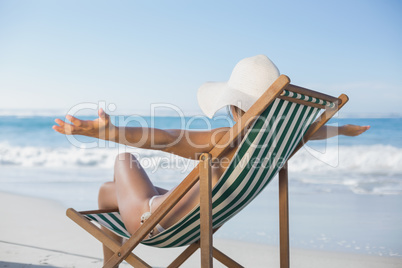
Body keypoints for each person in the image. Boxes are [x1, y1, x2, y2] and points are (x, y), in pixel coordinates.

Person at [53, 55, 369, 264]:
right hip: (197, 223)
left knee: (124, 160)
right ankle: (115, 260)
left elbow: (165, 138)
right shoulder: (279, 140)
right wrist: (342, 130)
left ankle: (114, 260)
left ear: (233, 106)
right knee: (109, 190)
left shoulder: (226, 139)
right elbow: (309, 132)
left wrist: (108, 132)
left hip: (155, 224)